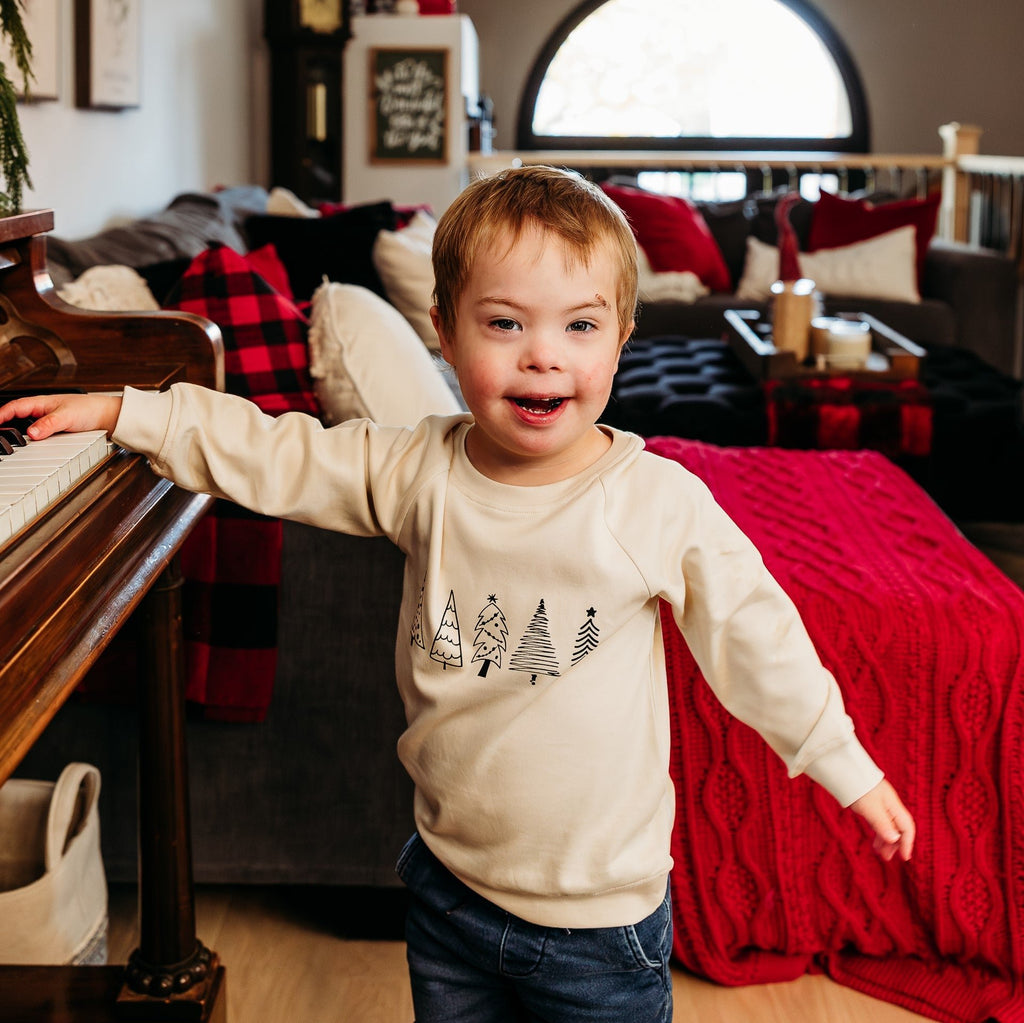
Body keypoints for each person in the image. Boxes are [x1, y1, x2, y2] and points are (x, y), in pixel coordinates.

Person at [0, 166, 914, 1022]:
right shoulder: (415, 469)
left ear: (624, 337)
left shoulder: (655, 500)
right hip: (446, 891)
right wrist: (131, 410)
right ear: (446, 331)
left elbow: (756, 636)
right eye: (505, 324)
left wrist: (842, 760)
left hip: (600, 926)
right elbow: (278, 452)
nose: (542, 358)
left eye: (580, 327)